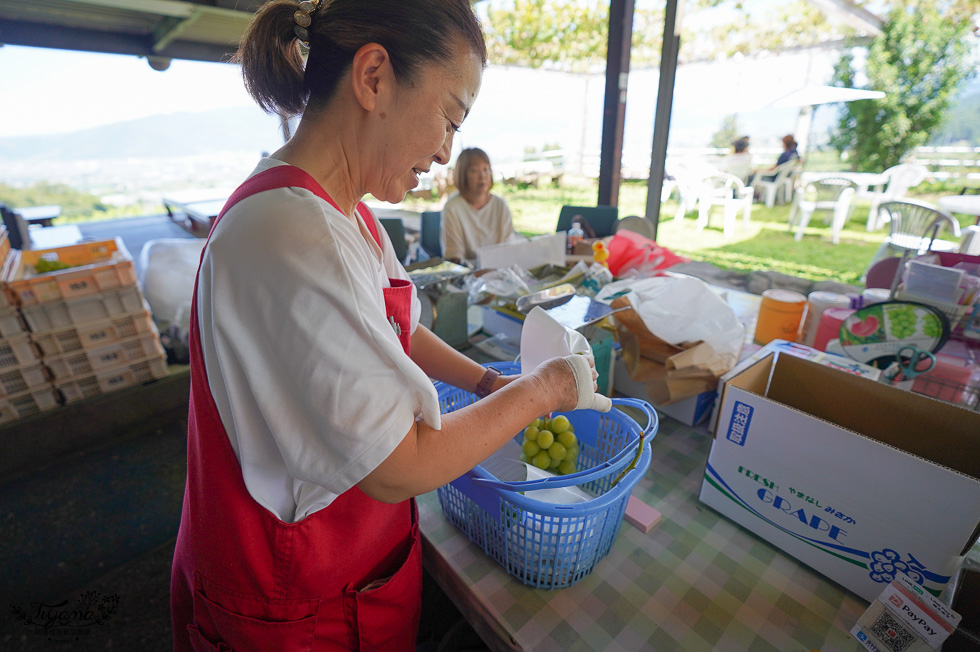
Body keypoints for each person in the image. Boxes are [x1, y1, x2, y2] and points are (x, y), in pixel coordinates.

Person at [169, 1, 610, 650]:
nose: (444, 151)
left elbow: (399, 326)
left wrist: (489, 381)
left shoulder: (348, 216)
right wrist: (540, 391)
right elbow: (398, 466)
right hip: (290, 600)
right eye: (450, 117)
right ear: (374, 75)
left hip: (351, 573)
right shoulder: (290, 235)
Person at [440, 147, 519, 265]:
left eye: (486, 169)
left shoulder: (500, 205)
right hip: (469, 275)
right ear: (462, 174)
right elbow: (454, 258)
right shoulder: (452, 208)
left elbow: (509, 248)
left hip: (501, 269)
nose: (482, 176)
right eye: (474, 170)